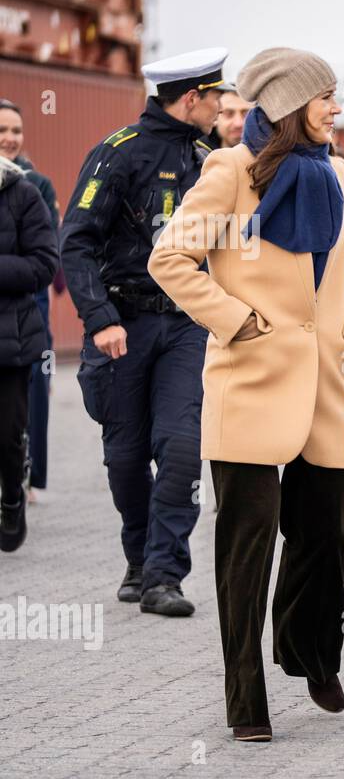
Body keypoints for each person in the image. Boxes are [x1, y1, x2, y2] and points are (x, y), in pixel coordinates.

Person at [149, 46, 344, 743]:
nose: (337, 109)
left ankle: (308, 651)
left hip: (326, 387)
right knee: (246, 553)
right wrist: (237, 321)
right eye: (326, 97)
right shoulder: (231, 174)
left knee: (328, 538)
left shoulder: (336, 171)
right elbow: (171, 258)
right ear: (288, 106)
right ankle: (245, 695)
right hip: (249, 385)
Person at [61, 47, 226, 616]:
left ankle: (164, 575)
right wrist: (100, 319)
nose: (222, 107)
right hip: (123, 326)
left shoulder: (213, 158)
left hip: (186, 325)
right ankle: (138, 555)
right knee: (125, 456)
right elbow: (76, 242)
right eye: (215, 98)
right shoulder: (117, 154)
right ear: (191, 99)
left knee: (181, 448)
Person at [0, 98, 60, 506]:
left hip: (26, 309)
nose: (10, 138)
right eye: (2, 130)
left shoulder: (35, 186)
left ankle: (25, 479)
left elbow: (46, 258)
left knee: (27, 403)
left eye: (16, 131)